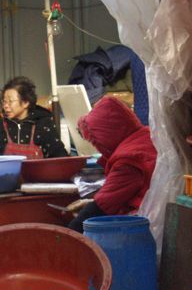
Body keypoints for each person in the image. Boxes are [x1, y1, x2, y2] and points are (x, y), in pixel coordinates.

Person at [67, 96, 157, 232]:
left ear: (106, 137)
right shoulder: (146, 136)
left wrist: (66, 234)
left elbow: (104, 204)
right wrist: (90, 202)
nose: (96, 148)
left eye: (94, 142)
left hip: (145, 228)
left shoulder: (128, 160)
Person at [0, 76, 68, 159]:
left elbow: (59, 158)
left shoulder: (43, 124)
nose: (6, 106)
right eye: (4, 101)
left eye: (10, 101)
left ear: (26, 102)